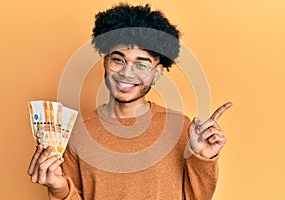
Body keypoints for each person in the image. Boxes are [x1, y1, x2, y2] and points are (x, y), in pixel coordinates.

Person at [28, 3, 232, 200]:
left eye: (141, 65)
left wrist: (203, 159)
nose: (126, 73)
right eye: (118, 60)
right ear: (105, 61)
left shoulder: (180, 127)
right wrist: (60, 189)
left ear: (156, 74)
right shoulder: (78, 131)